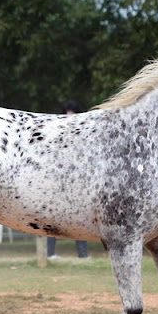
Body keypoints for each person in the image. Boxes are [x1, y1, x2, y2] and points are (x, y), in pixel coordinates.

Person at [47, 100, 89, 259]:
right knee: (52, 216)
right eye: (67, 112)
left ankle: (82, 254)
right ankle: (50, 253)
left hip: (77, 182)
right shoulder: (58, 135)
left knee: (80, 217)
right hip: (59, 182)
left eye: (72, 112)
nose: (69, 115)